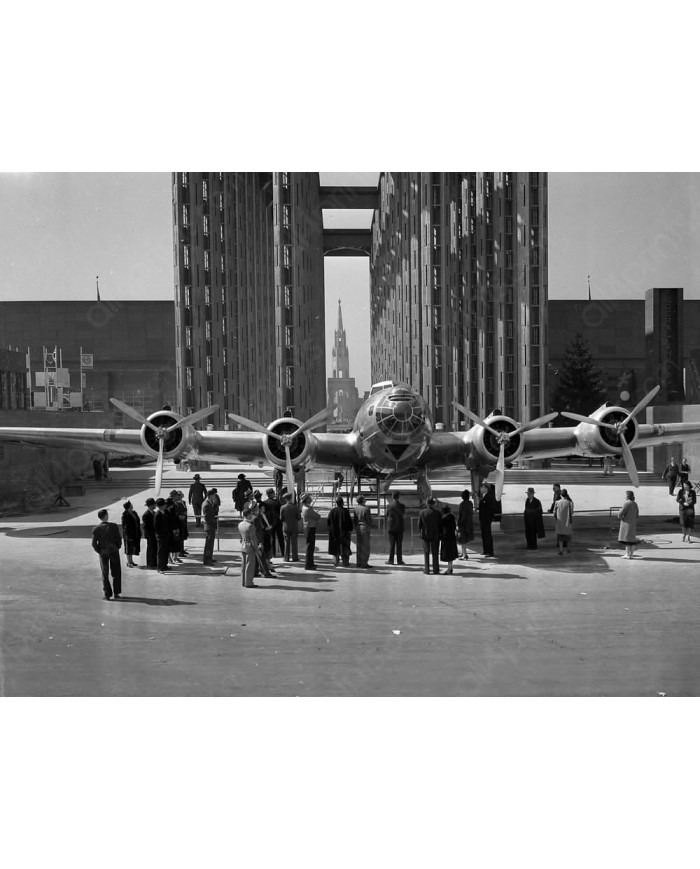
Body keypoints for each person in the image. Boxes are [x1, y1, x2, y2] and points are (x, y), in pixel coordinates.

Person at [91, 508, 123, 600]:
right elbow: (118, 538)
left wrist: (99, 551)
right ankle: (116, 592)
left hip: (103, 552)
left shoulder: (96, 529)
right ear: (106, 516)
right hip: (113, 550)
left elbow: (94, 543)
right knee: (116, 572)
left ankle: (107, 594)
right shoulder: (113, 526)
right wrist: (117, 547)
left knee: (105, 573)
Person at [418, 497, 443, 574]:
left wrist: (421, 531)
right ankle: (435, 569)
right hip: (435, 535)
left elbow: (419, 525)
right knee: (435, 553)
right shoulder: (438, 513)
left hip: (425, 535)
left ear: (426, 503)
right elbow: (440, 525)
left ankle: (427, 569)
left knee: (426, 552)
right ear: (433, 503)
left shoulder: (422, 512)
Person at [238, 503, 259, 588]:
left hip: (243, 546)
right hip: (249, 547)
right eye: (251, 514)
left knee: (243, 565)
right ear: (248, 515)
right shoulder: (250, 526)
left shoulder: (240, 524)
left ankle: (243, 581)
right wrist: (257, 550)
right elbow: (253, 540)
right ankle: (249, 582)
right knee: (249, 566)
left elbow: (240, 537)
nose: (252, 515)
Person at [327, 496, 353, 566]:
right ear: (342, 503)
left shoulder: (332, 511)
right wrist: (350, 530)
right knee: (344, 548)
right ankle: (345, 562)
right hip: (344, 533)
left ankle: (336, 562)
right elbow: (349, 522)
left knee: (335, 549)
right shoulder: (345, 511)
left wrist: (330, 530)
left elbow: (328, 522)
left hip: (334, 533)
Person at [301, 493, 321, 570]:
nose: (310, 498)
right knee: (310, 547)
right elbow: (317, 516)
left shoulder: (306, 507)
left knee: (311, 547)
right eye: (309, 497)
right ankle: (308, 565)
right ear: (306, 500)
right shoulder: (308, 509)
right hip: (310, 528)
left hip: (308, 527)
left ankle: (310, 563)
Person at [385, 491, 406, 565]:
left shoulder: (389, 506)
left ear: (392, 496)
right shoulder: (402, 506)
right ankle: (399, 560)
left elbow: (387, 515)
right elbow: (403, 515)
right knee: (399, 545)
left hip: (391, 527)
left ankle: (391, 560)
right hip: (399, 527)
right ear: (398, 496)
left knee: (392, 545)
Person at [262, 488, 284, 558]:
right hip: (278, 522)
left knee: (272, 538)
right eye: (273, 493)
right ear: (271, 494)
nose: (274, 494)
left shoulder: (264, 503)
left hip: (269, 523)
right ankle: (283, 553)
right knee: (281, 538)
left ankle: (273, 554)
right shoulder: (277, 502)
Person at [353, 494, 374, 568]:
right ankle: (364, 563)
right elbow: (369, 520)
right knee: (365, 546)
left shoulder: (355, 509)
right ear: (362, 501)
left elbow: (354, 520)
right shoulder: (366, 509)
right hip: (365, 527)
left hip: (358, 527)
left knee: (359, 545)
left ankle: (358, 562)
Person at [618, 490, 639, 558]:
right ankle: (631, 555)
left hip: (626, 524)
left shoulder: (626, 504)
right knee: (632, 541)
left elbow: (621, 514)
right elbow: (637, 514)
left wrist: (620, 516)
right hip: (632, 524)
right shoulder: (635, 504)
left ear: (627, 496)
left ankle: (627, 554)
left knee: (627, 540)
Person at [478, 483, 497, 558]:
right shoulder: (484, 497)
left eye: (482, 487)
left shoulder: (488, 497)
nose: (480, 489)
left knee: (487, 535)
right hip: (483, 519)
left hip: (486, 519)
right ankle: (486, 550)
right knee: (484, 535)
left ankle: (490, 551)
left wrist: (489, 518)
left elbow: (490, 509)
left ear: (486, 488)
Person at [120, 500, 142, 568]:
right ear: (128, 506)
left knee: (132, 547)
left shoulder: (134, 513)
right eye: (131, 505)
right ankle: (129, 562)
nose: (132, 505)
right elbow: (125, 526)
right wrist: (128, 535)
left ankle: (131, 561)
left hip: (135, 532)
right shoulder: (125, 515)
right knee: (128, 548)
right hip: (128, 534)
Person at [280, 492, 301, 561]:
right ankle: (295, 557)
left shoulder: (282, 507)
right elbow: (298, 517)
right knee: (294, 543)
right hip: (294, 526)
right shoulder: (295, 507)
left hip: (286, 526)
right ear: (291, 498)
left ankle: (286, 558)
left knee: (286, 542)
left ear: (286, 499)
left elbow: (281, 518)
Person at [553, 489, 574, 556]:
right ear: (566, 494)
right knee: (568, 536)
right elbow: (571, 512)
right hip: (567, 521)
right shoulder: (569, 503)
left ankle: (561, 550)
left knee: (560, 537)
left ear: (561, 495)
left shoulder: (557, 502)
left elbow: (554, 512)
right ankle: (568, 549)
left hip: (560, 522)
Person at [440, 504, 459, 574]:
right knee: (451, 554)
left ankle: (449, 569)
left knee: (448, 554)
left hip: (446, 538)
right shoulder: (452, 518)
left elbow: (441, 529)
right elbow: (454, 527)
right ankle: (450, 567)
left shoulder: (443, 520)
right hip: (452, 538)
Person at [154, 498, 171, 573]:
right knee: (161, 552)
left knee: (166, 551)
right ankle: (160, 567)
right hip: (161, 536)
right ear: (160, 506)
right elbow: (156, 527)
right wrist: (160, 535)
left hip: (167, 535)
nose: (165, 505)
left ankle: (165, 565)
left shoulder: (165, 512)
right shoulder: (158, 514)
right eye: (164, 504)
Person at [202, 490, 219, 566]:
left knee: (210, 544)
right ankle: (207, 560)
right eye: (213, 495)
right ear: (210, 496)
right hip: (209, 526)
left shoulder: (210, 503)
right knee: (208, 544)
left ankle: (209, 558)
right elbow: (207, 517)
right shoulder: (206, 504)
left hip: (211, 526)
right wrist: (213, 522)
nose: (215, 496)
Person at [456, 489, 474, 559]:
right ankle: (463, 552)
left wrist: (458, 524)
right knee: (465, 539)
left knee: (462, 539)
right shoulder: (470, 503)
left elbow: (461, 515)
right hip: (469, 523)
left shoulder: (462, 504)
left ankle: (465, 554)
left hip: (463, 524)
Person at [141, 497, 158, 569]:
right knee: (151, 549)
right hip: (150, 535)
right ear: (151, 505)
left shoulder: (154, 513)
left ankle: (154, 562)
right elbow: (146, 527)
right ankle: (151, 563)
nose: (155, 506)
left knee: (154, 548)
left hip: (154, 534)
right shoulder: (146, 514)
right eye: (154, 504)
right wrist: (151, 534)